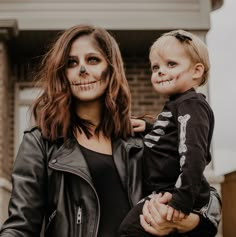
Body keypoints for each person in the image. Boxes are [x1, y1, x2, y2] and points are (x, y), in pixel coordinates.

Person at [0, 25, 221, 237]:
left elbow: (205, 195)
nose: (83, 69)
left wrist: (181, 223)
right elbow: (20, 228)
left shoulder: (142, 138)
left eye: (93, 60)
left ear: (111, 68)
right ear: (62, 73)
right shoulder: (40, 143)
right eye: (71, 63)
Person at [119, 29, 219, 237]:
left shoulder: (191, 105)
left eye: (171, 64)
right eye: (155, 67)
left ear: (196, 71)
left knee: (130, 230)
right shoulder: (179, 105)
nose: (160, 71)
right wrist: (147, 128)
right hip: (167, 191)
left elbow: (192, 154)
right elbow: (172, 137)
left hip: (176, 193)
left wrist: (181, 201)